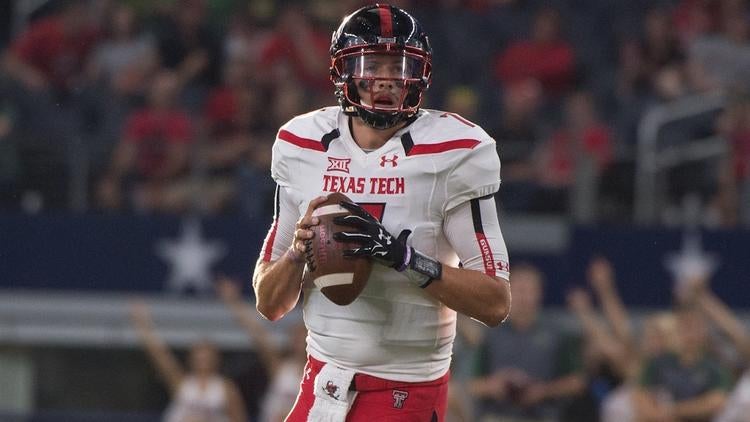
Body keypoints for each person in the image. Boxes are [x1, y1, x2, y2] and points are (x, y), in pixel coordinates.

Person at [251, 4, 512, 421]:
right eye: (374, 64)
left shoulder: (455, 150)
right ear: (343, 70)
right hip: (322, 384)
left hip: (405, 388)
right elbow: (269, 302)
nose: (387, 78)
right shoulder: (302, 143)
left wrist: (403, 258)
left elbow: (496, 302)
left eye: (400, 65)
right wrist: (297, 255)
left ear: (420, 73)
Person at [129, 300, 247, 422]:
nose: (203, 360)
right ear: (191, 359)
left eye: (207, 357)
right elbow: (162, 358)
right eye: (199, 356)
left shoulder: (225, 388)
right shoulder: (183, 384)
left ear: (216, 359)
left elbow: (239, 418)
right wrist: (143, 325)